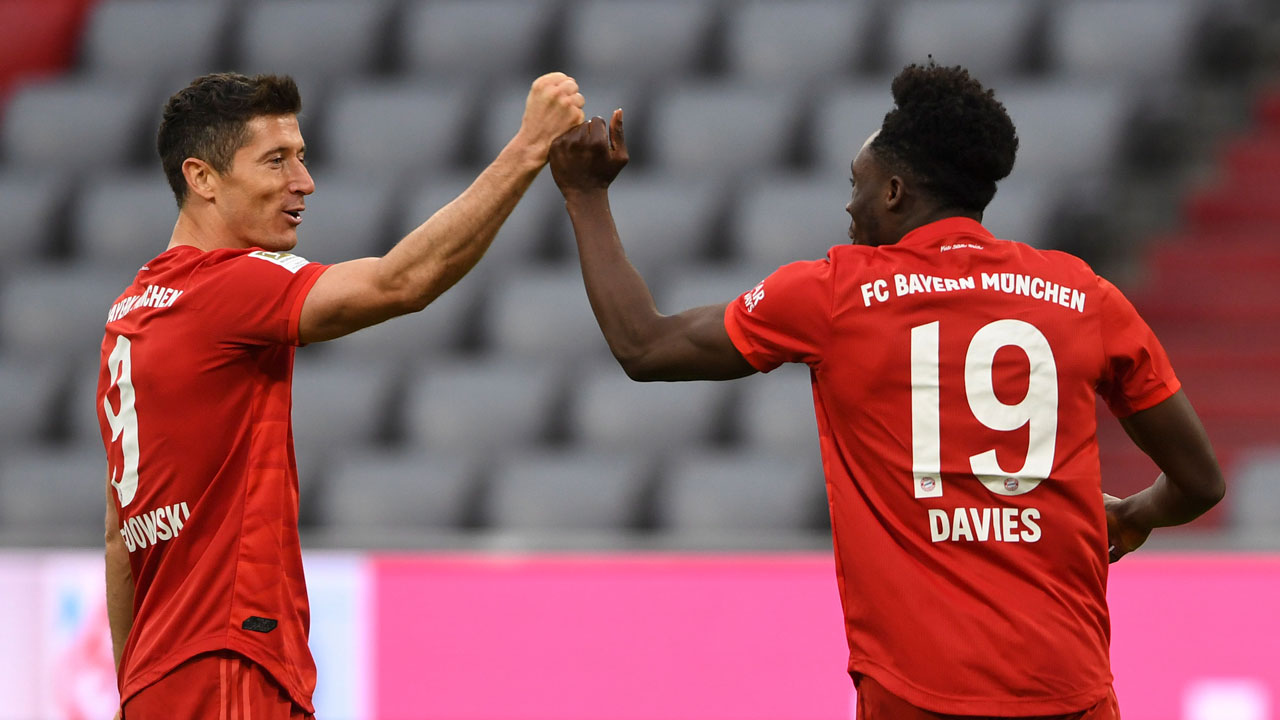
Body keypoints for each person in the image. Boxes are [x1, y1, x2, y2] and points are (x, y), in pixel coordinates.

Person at [548, 61, 1224, 719]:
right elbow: (1199, 483)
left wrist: (585, 196)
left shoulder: (834, 294)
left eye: (857, 183)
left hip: (917, 697)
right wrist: (1136, 513)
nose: (849, 203)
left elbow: (644, 346)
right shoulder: (1084, 296)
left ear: (895, 192)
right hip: (1068, 693)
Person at [99, 71, 584, 718]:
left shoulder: (129, 315)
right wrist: (528, 148)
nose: (304, 182)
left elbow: (118, 539)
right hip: (230, 661)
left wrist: (134, 689)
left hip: (162, 676)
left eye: (301, 156)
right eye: (276, 160)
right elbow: (399, 283)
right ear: (202, 177)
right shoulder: (226, 287)